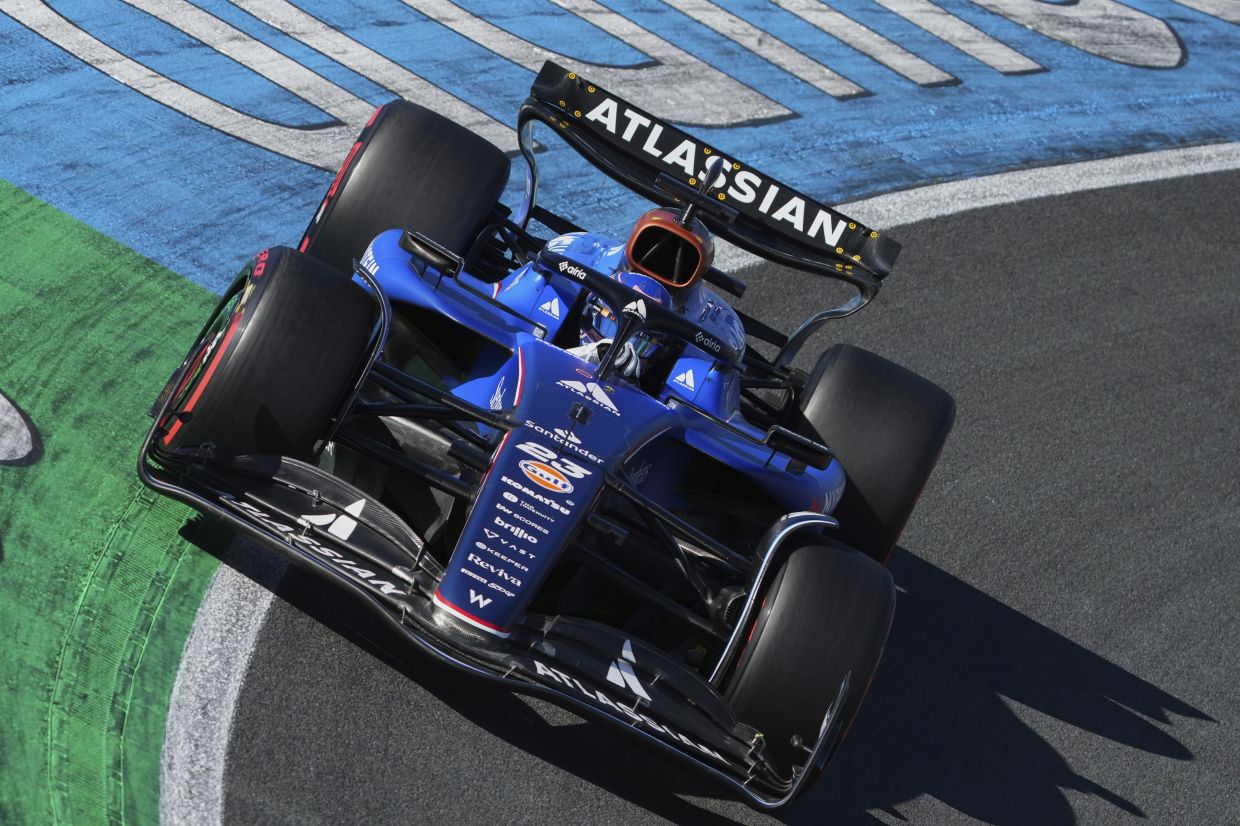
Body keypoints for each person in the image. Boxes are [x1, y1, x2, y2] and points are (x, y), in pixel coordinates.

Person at [568, 207, 746, 380]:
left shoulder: (715, 330)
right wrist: (588, 353)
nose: (620, 353)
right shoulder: (575, 255)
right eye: (609, 324)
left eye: (643, 342)